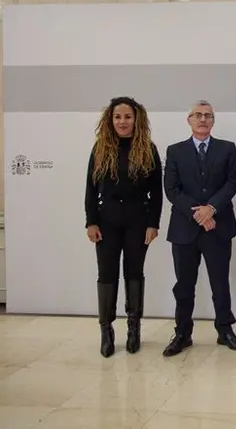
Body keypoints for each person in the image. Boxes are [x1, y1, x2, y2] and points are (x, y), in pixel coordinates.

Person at [161, 100, 236, 356]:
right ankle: (182, 333)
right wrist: (198, 213)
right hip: (185, 229)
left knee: (220, 282)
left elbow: (232, 183)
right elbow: (172, 189)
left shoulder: (227, 149)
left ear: (213, 120)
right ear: (188, 119)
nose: (203, 119)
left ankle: (225, 330)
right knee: (184, 285)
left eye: (208, 115)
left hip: (218, 226)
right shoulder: (175, 151)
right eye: (197, 115)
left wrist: (212, 209)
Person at [85, 96, 162, 358]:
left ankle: (133, 329)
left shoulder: (148, 148)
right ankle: (106, 331)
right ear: (110, 119)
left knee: (134, 273)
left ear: (136, 119)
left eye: (127, 116)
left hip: (137, 221)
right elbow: (90, 189)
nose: (122, 121)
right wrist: (91, 221)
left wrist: (153, 224)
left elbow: (156, 192)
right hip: (106, 222)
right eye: (118, 117)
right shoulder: (100, 148)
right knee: (106, 274)